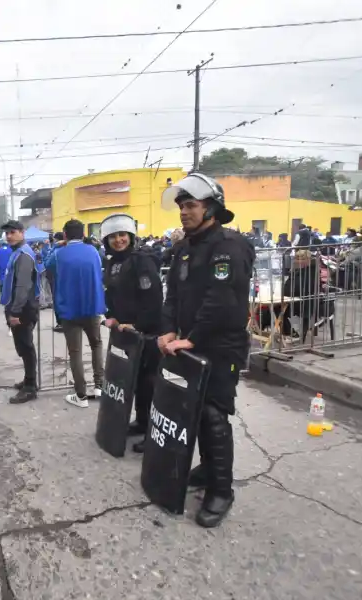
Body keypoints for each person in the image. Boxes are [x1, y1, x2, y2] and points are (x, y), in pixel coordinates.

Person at [159, 172, 255, 528]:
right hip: (188, 343)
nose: (184, 212)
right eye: (182, 206)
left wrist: (193, 337)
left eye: (192, 206)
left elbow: (223, 301)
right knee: (194, 412)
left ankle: (222, 489)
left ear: (211, 208)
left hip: (219, 346)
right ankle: (207, 467)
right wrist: (169, 329)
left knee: (214, 414)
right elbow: (173, 296)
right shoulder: (184, 248)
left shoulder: (229, 245)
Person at [99, 213, 164, 453]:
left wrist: (140, 325)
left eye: (122, 235)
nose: (118, 240)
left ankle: (152, 431)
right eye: (114, 236)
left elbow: (153, 297)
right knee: (134, 382)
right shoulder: (113, 262)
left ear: (131, 236)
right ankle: (141, 421)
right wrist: (112, 316)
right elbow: (113, 295)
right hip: (126, 332)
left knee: (149, 383)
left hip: (146, 332)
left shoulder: (141, 261)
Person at [46, 219, 105, 408]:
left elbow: (47, 266)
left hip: (69, 310)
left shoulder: (58, 254)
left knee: (75, 352)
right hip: (92, 306)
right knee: (96, 345)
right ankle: (99, 386)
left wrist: (57, 246)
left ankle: (81, 395)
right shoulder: (94, 251)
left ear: (64, 235)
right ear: (83, 234)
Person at [0, 220, 41, 404]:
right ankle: (28, 380)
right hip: (19, 307)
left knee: (26, 347)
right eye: (7, 233)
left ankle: (31, 387)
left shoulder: (24, 254)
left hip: (23, 309)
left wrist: (15, 312)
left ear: (22, 233)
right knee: (23, 347)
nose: (9, 236)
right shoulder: (17, 253)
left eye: (13, 232)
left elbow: (22, 286)